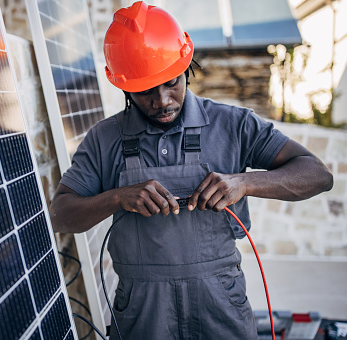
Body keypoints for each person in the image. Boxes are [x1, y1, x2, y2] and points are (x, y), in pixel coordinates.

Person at [49, 2, 334, 339]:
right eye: (144, 91)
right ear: (124, 85)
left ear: (186, 66)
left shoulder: (234, 124)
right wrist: (116, 198)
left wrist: (244, 182)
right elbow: (60, 216)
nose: (162, 101)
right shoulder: (104, 138)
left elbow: (318, 175)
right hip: (142, 312)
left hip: (221, 305)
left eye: (171, 83)